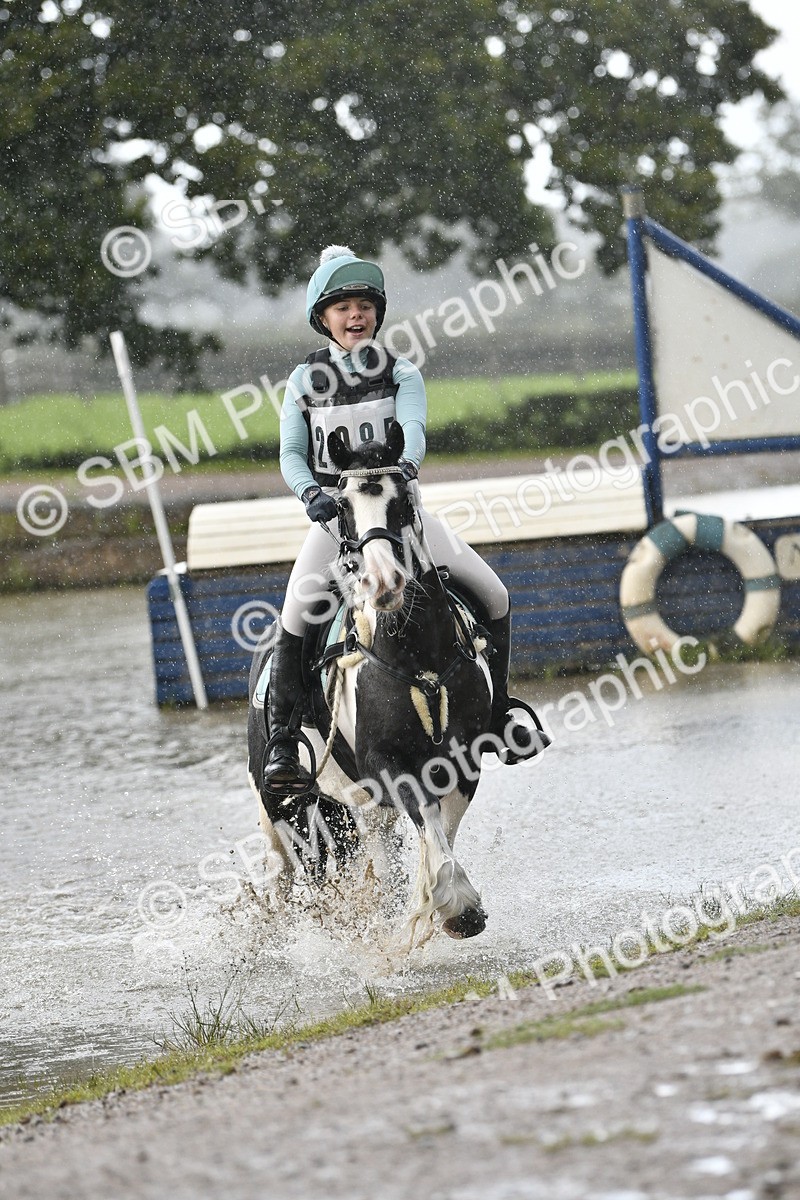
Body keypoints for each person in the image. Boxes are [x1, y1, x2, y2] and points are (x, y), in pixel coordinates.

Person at [263, 245, 548, 795]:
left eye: (365, 306)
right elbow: (291, 454)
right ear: (323, 318)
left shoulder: (401, 371)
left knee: (495, 595)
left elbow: (413, 429)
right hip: (338, 523)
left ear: (377, 313)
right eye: (343, 307)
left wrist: (406, 469)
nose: (356, 315)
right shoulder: (303, 381)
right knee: (294, 617)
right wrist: (310, 494)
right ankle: (283, 743)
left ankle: (499, 715)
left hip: (401, 517)